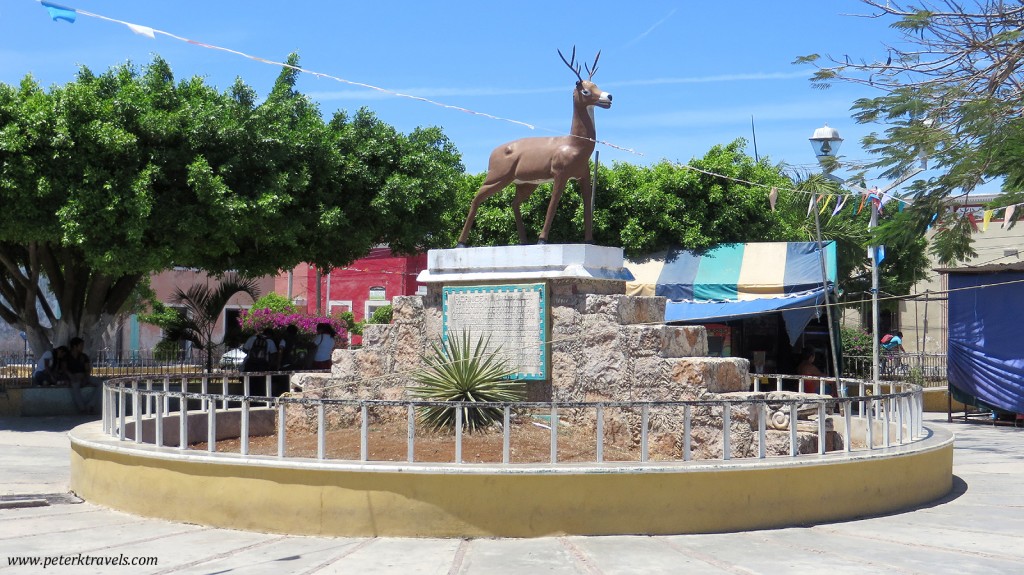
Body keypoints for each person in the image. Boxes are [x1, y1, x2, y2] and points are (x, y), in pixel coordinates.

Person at [66, 337, 100, 413]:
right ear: (75, 346)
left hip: (84, 376)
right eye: (81, 345)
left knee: (101, 384)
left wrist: (86, 378)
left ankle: (91, 405)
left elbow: (87, 369)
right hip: (73, 377)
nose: (82, 347)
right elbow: (64, 369)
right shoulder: (67, 356)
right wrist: (71, 376)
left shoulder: (84, 356)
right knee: (75, 385)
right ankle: (82, 409)